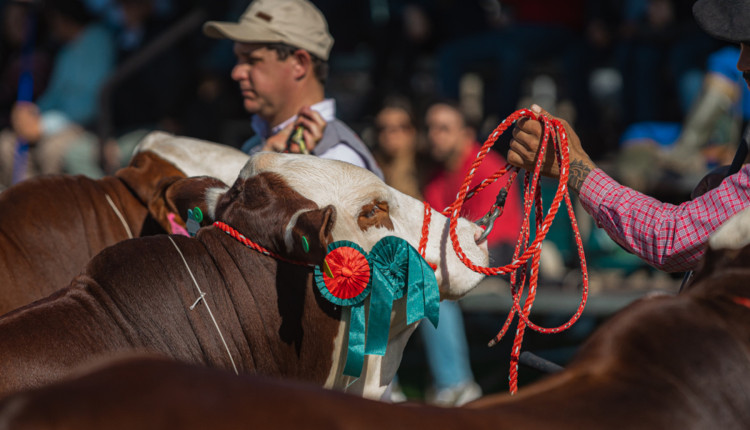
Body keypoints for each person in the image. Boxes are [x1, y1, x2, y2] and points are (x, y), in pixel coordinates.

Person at [506, 0, 750, 275]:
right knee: (636, 134)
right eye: (742, 47)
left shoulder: (721, 65)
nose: (743, 63)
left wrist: (575, 168)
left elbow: (669, 239)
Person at [202, 0, 382, 179]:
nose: (236, 73)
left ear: (300, 64)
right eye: (238, 59)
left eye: (252, 60)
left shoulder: (338, 157)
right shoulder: (257, 145)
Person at [0, 0, 115, 189]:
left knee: (53, 150)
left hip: (82, 126)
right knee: (6, 144)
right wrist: (31, 114)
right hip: (53, 125)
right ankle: (25, 204)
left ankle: (51, 211)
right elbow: (54, 95)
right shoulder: (66, 52)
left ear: (61, 18)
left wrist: (43, 125)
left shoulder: (98, 40)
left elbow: (89, 103)